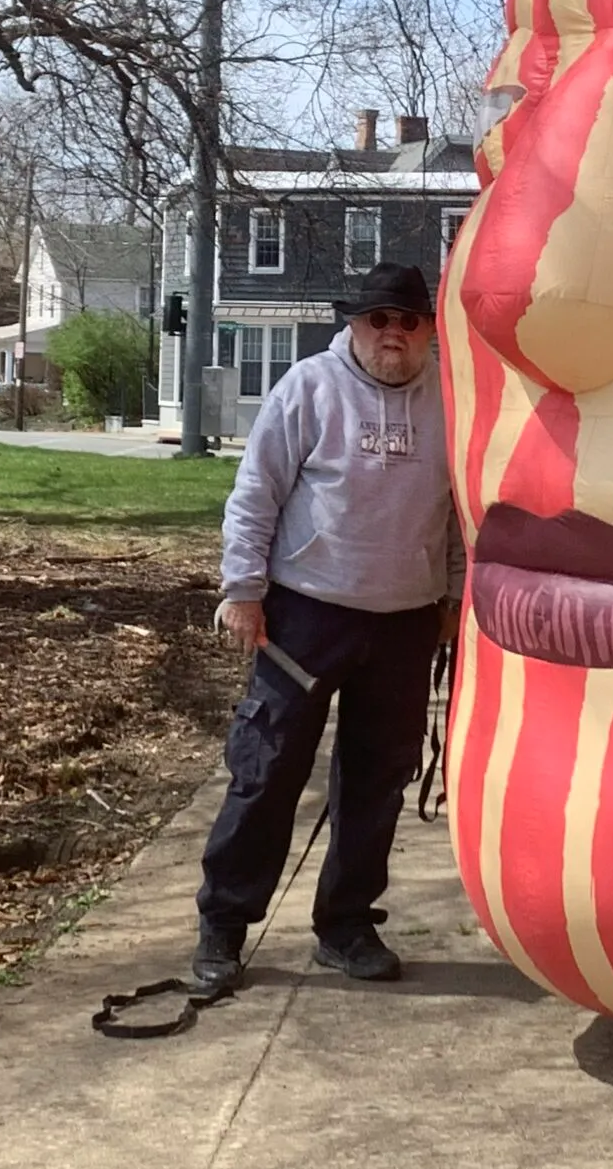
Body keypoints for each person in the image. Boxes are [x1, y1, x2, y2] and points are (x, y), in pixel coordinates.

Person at [192, 262, 464, 996]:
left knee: (377, 783)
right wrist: (242, 591)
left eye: (408, 321)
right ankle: (223, 924)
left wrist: (455, 602)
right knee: (267, 769)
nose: (393, 334)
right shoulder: (307, 387)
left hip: (406, 619)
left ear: (428, 330)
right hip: (304, 614)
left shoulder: (452, 400)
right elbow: (254, 495)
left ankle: (346, 926)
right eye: (379, 319)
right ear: (354, 323)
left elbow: (462, 516)